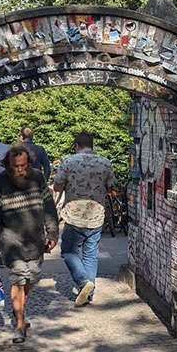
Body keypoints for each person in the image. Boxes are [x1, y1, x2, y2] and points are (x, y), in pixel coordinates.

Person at [0, 144, 58, 343]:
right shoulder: (0, 181)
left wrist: (52, 233)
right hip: (10, 241)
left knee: (31, 279)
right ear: (8, 165)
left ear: (29, 163)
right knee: (18, 280)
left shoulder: (37, 178)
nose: (20, 169)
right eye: (15, 166)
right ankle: (19, 323)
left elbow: (48, 206)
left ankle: (20, 309)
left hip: (35, 239)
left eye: (23, 165)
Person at [52, 131, 115, 306]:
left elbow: (57, 187)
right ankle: (89, 293)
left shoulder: (69, 162)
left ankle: (82, 282)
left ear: (76, 146)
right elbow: (110, 187)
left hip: (74, 216)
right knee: (91, 254)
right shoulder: (105, 163)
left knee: (68, 252)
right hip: (96, 216)